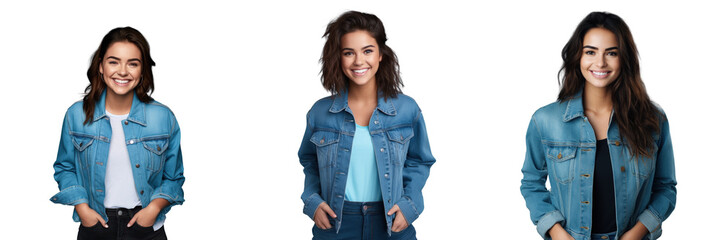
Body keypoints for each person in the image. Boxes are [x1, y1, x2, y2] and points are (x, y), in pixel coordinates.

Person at [520, 12, 677, 240]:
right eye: (590, 52)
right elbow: (531, 182)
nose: (600, 62)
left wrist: (636, 234)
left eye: (611, 53)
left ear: (624, 58)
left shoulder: (652, 119)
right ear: (578, 57)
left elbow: (665, 188)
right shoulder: (545, 120)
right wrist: (557, 233)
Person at [298, 11, 436, 240]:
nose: (359, 61)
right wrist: (313, 201)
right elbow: (309, 161)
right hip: (335, 223)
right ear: (338, 57)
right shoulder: (320, 113)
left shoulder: (407, 109)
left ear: (381, 54)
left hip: (392, 222)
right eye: (348, 53)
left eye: (367, 51)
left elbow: (420, 160)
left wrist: (409, 205)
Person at [51, 27, 185, 240]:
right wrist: (83, 209)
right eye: (114, 62)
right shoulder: (76, 114)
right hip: (96, 227)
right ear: (101, 66)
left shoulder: (163, 117)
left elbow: (174, 176)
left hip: (147, 229)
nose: (123, 71)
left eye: (133, 63)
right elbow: (65, 168)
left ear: (142, 70)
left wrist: (152, 210)